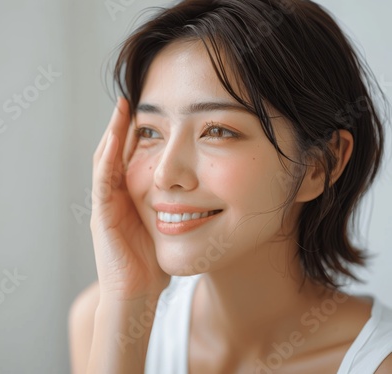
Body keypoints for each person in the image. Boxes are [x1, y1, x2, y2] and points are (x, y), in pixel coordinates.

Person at [69, 0, 392, 373]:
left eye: (218, 131)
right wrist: (127, 304)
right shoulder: (103, 318)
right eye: (149, 132)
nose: (164, 173)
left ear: (320, 165)